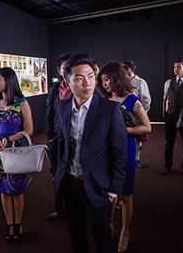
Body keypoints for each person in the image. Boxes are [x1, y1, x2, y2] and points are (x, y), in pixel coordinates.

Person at [54, 54, 127, 253]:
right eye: (79, 78)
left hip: (97, 186)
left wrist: (114, 190)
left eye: (90, 76)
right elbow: (60, 142)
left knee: (102, 238)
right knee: (75, 236)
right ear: (67, 82)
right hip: (69, 184)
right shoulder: (62, 107)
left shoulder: (109, 110)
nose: (86, 82)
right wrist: (57, 173)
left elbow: (120, 154)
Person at [98, 61, 151, 253]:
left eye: (107, 79)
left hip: (125, 149)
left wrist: (122, 130)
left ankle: (125, 231)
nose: (104, 84)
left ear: (117, 78)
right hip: (105, 150)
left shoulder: (132, 100)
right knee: (108, 192)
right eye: (102, 80)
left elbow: (147, 126)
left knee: (126, 194)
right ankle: (109, 224)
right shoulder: (103, 100)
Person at [0, 67, 33, 242]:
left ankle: (18, 223)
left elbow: (29, 130)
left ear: (8, 81)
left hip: (17, 151)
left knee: (16, 189)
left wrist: (8, 138)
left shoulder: (21, 102)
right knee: (4, 190)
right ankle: (9, 223)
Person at [45, 53, 72, 221]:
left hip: (74, 139)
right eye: (64, 68)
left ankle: (74, 209)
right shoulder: (54, 89)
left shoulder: (79, 86)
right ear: (59, 70)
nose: (67, 70)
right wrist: (49, 137)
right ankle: (59, 209)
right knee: (56, 174)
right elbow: (49, 114)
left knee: (74, 174)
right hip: (56, 138)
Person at [160, 58, 183, 178]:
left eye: (178, 67)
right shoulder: (169, 82)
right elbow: (165, 98)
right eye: (174, 67)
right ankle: (167, 166)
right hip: (170, 116)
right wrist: (165, 113)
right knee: (169, 143)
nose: (175, 69)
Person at [122, 61, 152, 169]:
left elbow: (146, 100)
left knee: (138, 139)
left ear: (130, 71)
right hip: (124, 114)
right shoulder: (122, 81)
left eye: (124, 70)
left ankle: (137, 158)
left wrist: (141, 114)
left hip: (137, 115)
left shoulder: (140, 82)